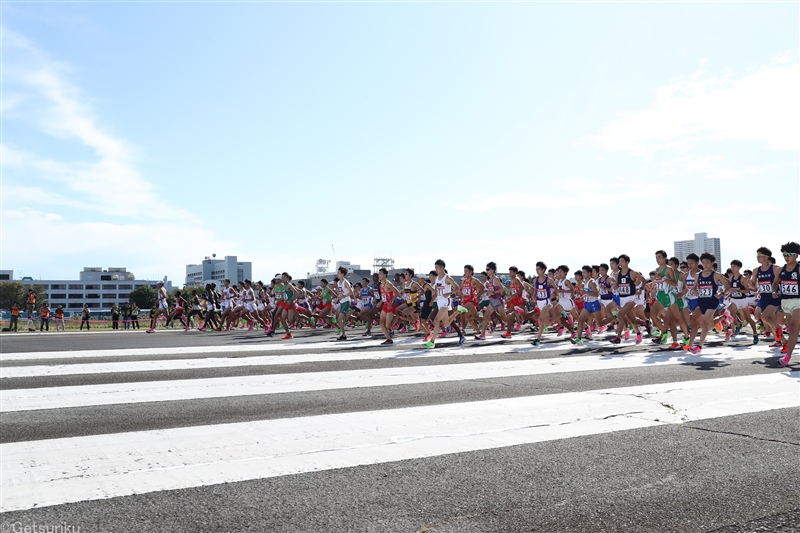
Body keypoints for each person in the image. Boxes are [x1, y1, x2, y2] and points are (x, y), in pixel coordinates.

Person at [685, 253, 731, 354]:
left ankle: (699, 346)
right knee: (709, 326)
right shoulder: (698, 275)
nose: (705, 265)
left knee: (704, 322)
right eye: (704, 262)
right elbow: (694, 287)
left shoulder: (716, 275)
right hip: (702, 301)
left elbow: (727, 286)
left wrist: (721, 293)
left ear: (712, 263)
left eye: (708, 263)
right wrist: (695, 291)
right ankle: (724, 317)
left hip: (712, 301)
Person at [777, 242, 800, 366]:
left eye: (789, 254)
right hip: (785, 301)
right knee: (791, 328)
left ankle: (788, 356)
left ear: (796, 255)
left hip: (798, 301)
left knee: (793, 326)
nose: (786, 257)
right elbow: (775, 283)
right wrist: (775, 291)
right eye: (784, 255)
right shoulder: (780, 270)